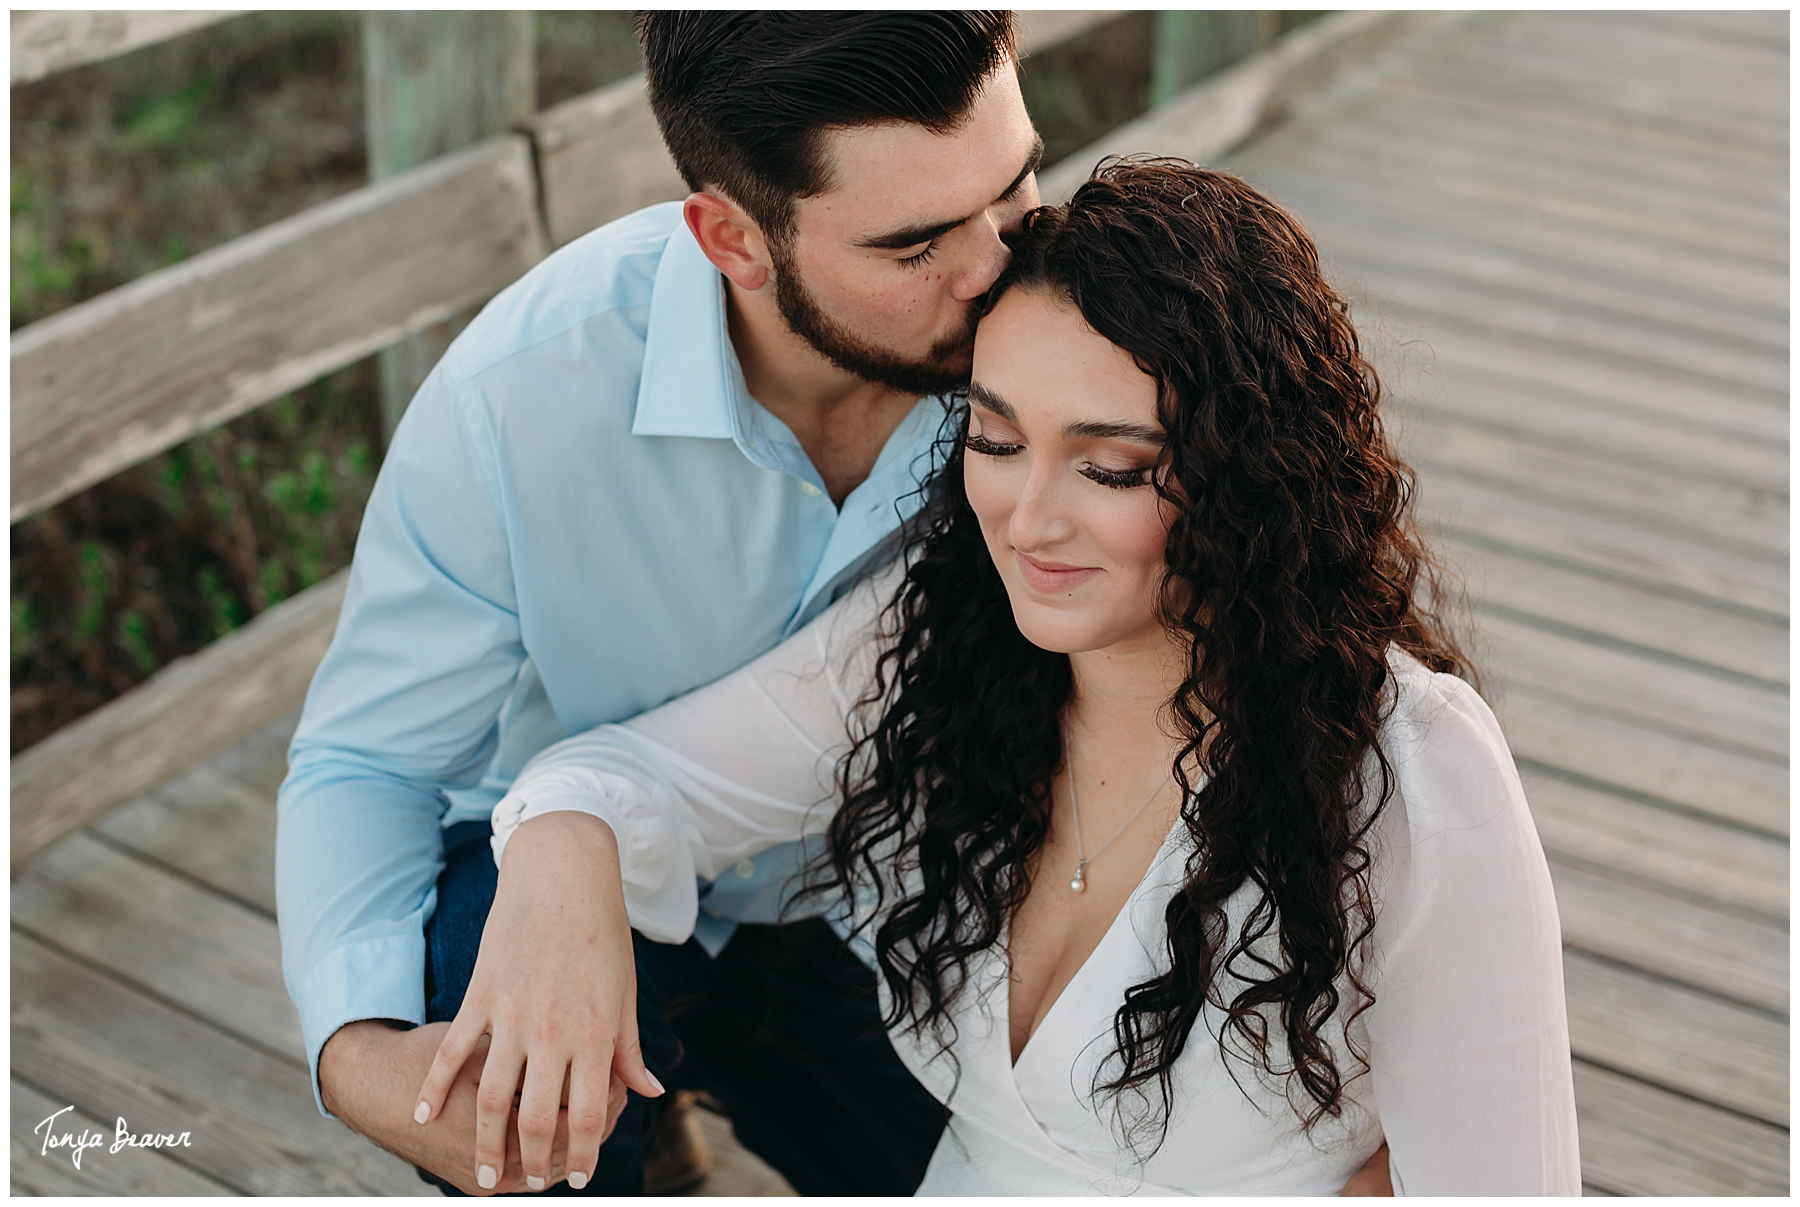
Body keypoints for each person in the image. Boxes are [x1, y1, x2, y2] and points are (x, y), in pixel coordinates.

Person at [422, 160, 1582, 1194]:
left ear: (1251, 477)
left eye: (1112, 465)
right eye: (996, 437)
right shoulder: (943, 639)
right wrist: (564, 841)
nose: (1028, 519)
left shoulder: (1414, 776)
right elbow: (634, 778)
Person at [277, 12, 1041, 1196]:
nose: (994, 269)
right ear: (734, 239)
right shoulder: (516, 401)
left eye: (1016, 184)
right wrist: (352, 1050)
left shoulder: (1063, 350)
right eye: (915, 243)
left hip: (888, 889)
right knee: (508, 1115)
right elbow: (368, 762)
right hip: (548, 887)